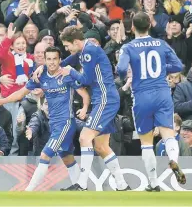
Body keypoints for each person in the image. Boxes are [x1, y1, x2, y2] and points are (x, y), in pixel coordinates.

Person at [38, 26, 130, 191]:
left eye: (67, 46)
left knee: (84, 137)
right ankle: (122, 185)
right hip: (103, 99)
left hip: (105, 99)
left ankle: (82, 184)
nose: (67, 49)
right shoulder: (84, 50)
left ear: (75, 42)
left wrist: (71, 72)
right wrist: (44, 68)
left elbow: (85, 80)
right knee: (101, 147)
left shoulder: (88, 52)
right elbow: (63, 63)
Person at [0, 46, 90, 191]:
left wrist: (85, 108)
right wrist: (2, 101)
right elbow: (20, 93)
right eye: (48, 59)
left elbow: (84, 94)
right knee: (67, 156)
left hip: (66, 122)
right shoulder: (41, 75)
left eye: (55, 59)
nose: (52, 62)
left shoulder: (66, 75)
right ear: (44, 60)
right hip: (54, 123)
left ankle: (29, 191)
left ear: (60, 60)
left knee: (45, 155)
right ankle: (81, 189)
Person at [117, 11, 185, 192]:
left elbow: (121, 68)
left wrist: (128, 75)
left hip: (141, 95)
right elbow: (179, 66)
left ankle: (154, 183)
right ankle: (174, 160)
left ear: (132, 27)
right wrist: (162, 68)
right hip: (163, 93)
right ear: (149, 26)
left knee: (146, 142)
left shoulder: (128, 47)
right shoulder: (161, 43)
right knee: (168, 134)